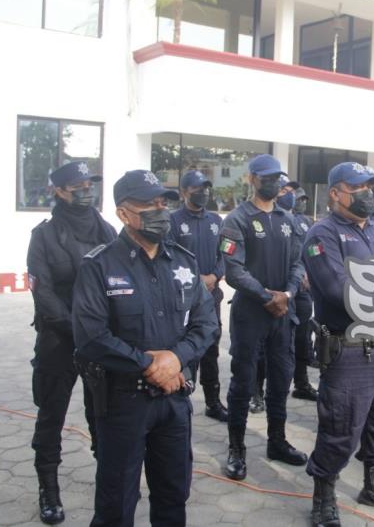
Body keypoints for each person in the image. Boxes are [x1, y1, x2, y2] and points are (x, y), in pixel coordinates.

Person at [72, 169, 218, 526]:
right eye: (148, 204)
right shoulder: (99, 265)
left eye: (163, 202)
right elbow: (91, 336)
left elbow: (206, 323)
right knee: (116, 502)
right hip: (123, 402)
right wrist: (149, 365)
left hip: (174, 400)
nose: (160, 210)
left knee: (173, 496)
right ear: (123, 213)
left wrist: (176, 359)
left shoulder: (184, 261)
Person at [304, 161, 374, 525]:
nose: (369, 194)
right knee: (341, 427)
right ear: (336, 193)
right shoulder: (323, 233)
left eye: (372, 187)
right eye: (359, 188)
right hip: (351, 349)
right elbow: (337, 289)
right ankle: (323, 493)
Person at [26, 161, 116, 525]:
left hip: (98, 341)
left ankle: (110, 481)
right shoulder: (43, 235)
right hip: (59, 340)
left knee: (104, 415)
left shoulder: (105, 229)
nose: (86, 191)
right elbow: (42, 290)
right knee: (51, 417)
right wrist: (77, 329)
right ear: (59, 192)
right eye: (77, 186)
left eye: (89, 184)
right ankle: (48, 487)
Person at [220, 155, 307, 481]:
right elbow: (234, 270)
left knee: (281, 379)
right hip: (250, 314)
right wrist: (267, 296)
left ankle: (277, 441)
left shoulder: (289, 219)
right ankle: (236, 448)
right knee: (243, 382)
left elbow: (299, 263)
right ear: (252, 179)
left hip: (284, 313)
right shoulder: (238, 219)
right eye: (267, 178)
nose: (274, 184)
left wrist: (288, 294)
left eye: (277, 178)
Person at [170, 170, 229, 422]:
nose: (203, 193)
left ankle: (213, 402)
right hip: (184, 299)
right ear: (184, 192)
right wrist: (197, 281)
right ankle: (182, 398)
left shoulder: (216, 220)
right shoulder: (172, 221)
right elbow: (169, 258)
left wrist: (214, 277)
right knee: (188, 350)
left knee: (210, 350)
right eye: (197, 189)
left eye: (206, 188)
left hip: (211, 296)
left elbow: (226, 254)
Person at [278, 179, 318, 401]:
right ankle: (257, 391)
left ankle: (301, 383)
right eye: (286, 191)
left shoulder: (305, 222)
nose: (291, 197)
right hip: (278, 290)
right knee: (271, 345)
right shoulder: (268, 219)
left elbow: (313, 251)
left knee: (302, 338)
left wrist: (309, 272)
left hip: (302, 291)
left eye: (293, 193)